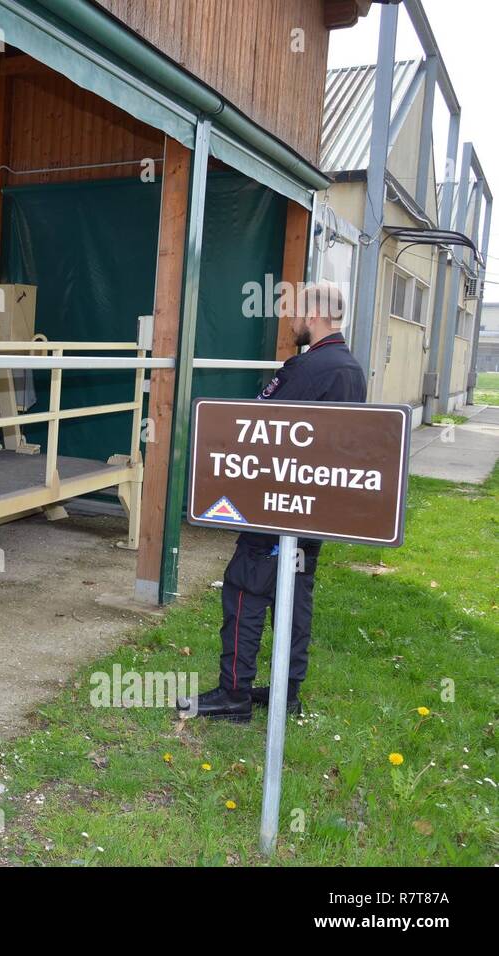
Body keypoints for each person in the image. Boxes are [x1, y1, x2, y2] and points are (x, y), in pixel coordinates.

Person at [179, 282, 365, 722]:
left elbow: (263, 425)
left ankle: (234, 695)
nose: (290, 320)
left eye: (295, 311)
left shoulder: (310, 368)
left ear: (315, 313)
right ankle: (286, 691)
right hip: (313, 510)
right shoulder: (350, 367)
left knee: (245, 588)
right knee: (295, 592)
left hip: (279, 505)